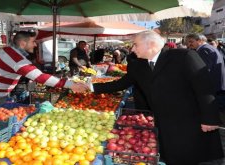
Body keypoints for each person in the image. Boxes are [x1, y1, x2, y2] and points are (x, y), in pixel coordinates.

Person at [93, 31, 224, 165]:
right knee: (170, 155)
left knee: (192, 155)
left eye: (136, 45)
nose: (132, 49)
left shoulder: (183, 56)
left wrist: (210, 118)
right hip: (163, 122)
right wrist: (90, 87)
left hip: (190, 121)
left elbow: (204, 87)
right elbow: (120, 84)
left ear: (151, 44)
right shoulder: (138, 65)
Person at [0, 31, 88, 107]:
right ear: (23, 43)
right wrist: (70, 85)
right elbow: (39, 77)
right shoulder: (15, 58)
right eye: (33, 42)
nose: (35, 45)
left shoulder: (8, 50)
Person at [186, 34, 225, 112]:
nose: (189, 44)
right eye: (188, 42)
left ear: (200, 41)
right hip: (216, 86)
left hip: (213, 87)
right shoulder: (208, 48)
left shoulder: (204, 50)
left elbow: (204, 70)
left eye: (191, 41)